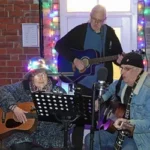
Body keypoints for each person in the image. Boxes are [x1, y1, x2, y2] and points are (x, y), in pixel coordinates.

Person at [55, 4, 123, 150]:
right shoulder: (81, 30)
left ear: (104, 19)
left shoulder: (109, 33)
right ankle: (77, 147)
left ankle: (96, 146)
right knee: (80, 119)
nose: (95, 23)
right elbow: (59, 45)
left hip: (102, 85)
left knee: (102, 119)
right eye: (93, 19)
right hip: (82, 82)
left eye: (99, 20)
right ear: (90, 16)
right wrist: (75, 60)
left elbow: (118, 55)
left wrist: (120, 61)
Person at [85, 52, 150, 150]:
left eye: (127, 69)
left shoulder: (147, 89)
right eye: (121, 68)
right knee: (90, 139)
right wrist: (100, 100)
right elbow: (111, 89)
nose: (122, 72)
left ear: (138, 70)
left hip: (138, 138)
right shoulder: (123, 83)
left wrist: (128, 123)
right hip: (118, 132)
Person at [0, 57, 66, 150]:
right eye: (37, 74)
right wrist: (14, 108)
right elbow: (2, 90)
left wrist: (65, 119)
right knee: (19, 143)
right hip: (23, 133)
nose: (41, 77)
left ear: (47, 75)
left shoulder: (58, 92)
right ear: (31, 77)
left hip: (51, 135)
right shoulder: (22, 87)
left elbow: (69, 118)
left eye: (43, 74)